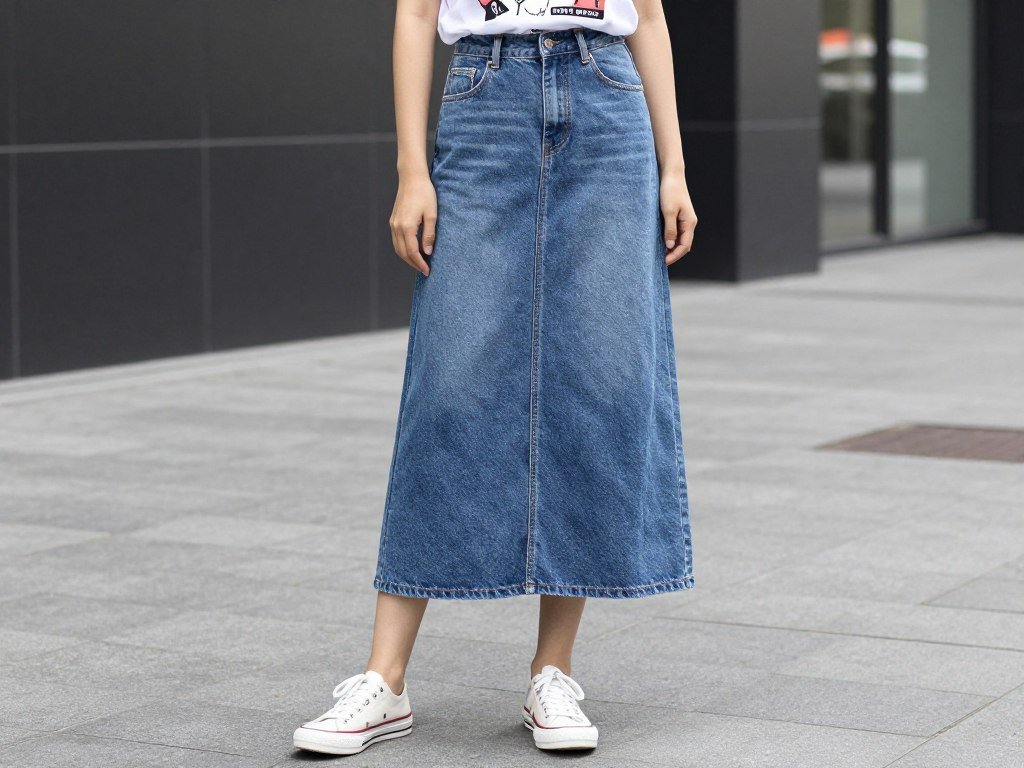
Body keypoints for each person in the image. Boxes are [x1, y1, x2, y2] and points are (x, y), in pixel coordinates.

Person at [293, 0, 696, 755]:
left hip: (608, 105)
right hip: (483, 101)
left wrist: (673, 168)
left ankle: (553, 671)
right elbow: (416, 14)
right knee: (447, 390)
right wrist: (413, 170)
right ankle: (385, 679)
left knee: (598, 383)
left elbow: (646, 15)